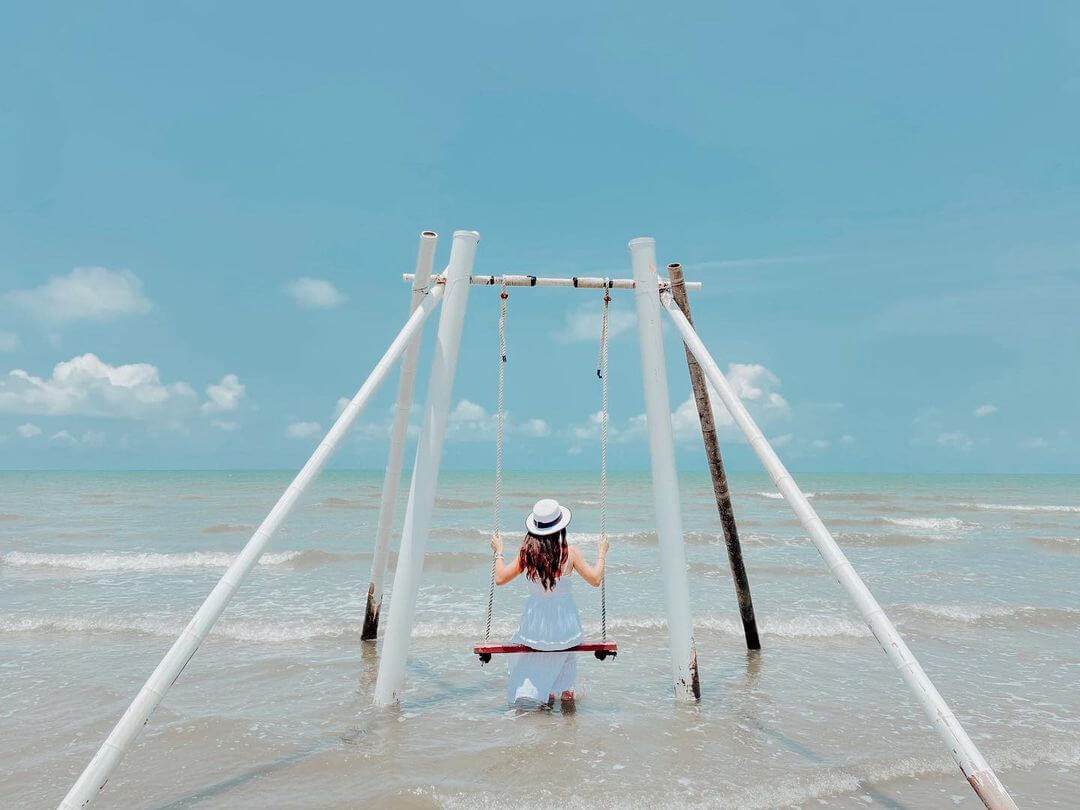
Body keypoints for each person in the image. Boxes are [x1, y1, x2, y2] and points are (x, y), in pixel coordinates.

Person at [490, 497, 609, 707]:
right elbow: (595, 579)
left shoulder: (527, 554)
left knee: (537, 653)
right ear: (560, 526)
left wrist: (498, 551)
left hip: (534, 630)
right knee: (567, 653)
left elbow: (499, 578)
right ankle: (566, 697)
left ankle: (546, 694)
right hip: (566, 629)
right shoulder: (570, 553)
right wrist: (601, 553)